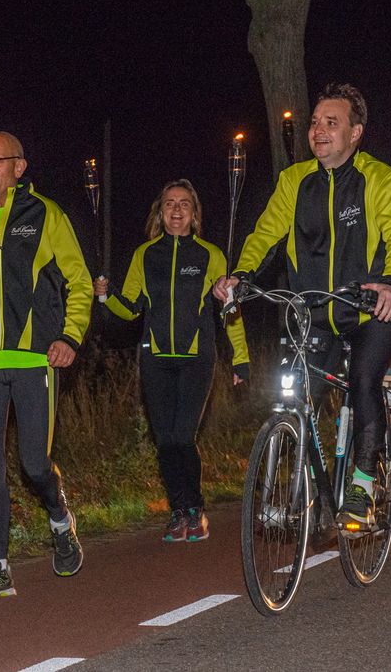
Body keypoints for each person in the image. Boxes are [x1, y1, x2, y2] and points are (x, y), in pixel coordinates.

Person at [214, 83, 391, 529]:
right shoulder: (293, 181)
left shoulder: (379, 179)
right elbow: (265, 235)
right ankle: (312, 490)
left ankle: (362, 483)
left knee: (363, 382)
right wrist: (241, 277)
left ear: (356, 132)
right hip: (313, 312)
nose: (318, 131)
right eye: (315, 123)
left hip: (369, 309)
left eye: (331, 123)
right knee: (296, 394)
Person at [0, 131, 91, 597]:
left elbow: (79, 282)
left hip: (34, 360)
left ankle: (58, 515)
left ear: (19, 168)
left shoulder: (46, 215)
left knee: (32, 463)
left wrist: (69, 336)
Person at [95, 180, 250, 542]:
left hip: (197, 357)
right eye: (169, 204)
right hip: (155, 358)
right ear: (160, 213)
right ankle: (178, 510)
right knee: (165, 441)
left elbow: (230, 310)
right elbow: (131, 310)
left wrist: (241, 359)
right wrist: (106, 298)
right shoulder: (145, 255)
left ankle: (195, 508)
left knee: (183, 436)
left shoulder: (210, 254)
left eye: (184, 204)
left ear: (194, 214)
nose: (176, 210)